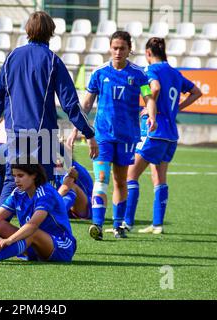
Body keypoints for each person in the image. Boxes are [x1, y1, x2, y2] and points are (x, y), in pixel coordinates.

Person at [0, 11, 98, 208]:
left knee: (13, 181)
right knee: (40, 186)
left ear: (27, 30)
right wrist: (88, 133)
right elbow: (70, 103)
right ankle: (32, 235)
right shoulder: (52, 61)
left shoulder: (12, 57)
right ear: (51, 32)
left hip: (15, 132)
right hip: (42, 135)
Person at [67, 31, 158, 240]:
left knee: (120, 181)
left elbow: (148, 96)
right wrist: (75, 128)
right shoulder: (100, 73)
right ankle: (97, 225)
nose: (118, 52)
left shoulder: (139, 74)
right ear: (110, 48)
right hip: (102, 136)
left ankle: (118, 225)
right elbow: (87, 104)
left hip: (127, 136)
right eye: (114, 48)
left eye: (122, 48)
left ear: (129, 50)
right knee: (101, 179)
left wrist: (152, 115)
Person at [123, 37, 202, 234]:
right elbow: (196, 92)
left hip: (154, 131)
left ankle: (127, 223)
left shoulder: (151, 70)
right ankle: (157, 225)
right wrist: (177, 109)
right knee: (159, 178)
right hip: (171, 135)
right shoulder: (175, 73)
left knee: (130, 175)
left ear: (148, 53)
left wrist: (150, 110)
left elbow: (155, 88)